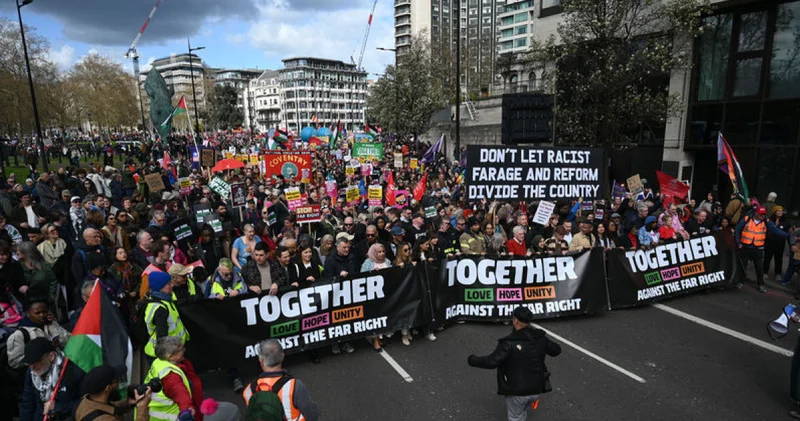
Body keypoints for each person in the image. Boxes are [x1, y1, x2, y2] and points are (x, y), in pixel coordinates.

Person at [467, 307, 562, 421]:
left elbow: (492, 361)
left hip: (518, 391)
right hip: (537, 388)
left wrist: (473, 360)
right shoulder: (541, 338)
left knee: (515, 417)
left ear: (515, 320)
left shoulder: (508, 343)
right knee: (521, 413)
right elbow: (556, 350)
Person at [241, 339, 320, 421]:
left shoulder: (248, 391)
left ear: (261, 361)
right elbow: (312, 414)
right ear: (283, 357)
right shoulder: (295, 386)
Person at [20, 337, 83, 421]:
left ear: (51, 356)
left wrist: (58, 407)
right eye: (29, 363)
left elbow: (85, 404)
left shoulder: (71, 370)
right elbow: (28, 403)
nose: (32, 367)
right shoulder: (32, 373)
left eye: (36, 361)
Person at [735, 206, 791, 293]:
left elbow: (775, 230)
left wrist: (788, 235)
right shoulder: (746, 219)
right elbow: (737, 230)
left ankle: (761, 284)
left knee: (759, 268)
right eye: (761, 214)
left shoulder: (766, 221)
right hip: (745, 247)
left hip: (758, 248)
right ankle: (740, 281)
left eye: (764, 214)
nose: (763, 216)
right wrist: (738, 242)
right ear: (756, 213)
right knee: (742, 266)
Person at [6, 296, 70, 370]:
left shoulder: (50, 323)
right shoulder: (19, 335)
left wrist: (53, 326)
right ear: (28, 313)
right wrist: (38, 359)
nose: (42, 315)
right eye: (37, 313)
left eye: (44, 312)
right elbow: (14, 362)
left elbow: (69, 340)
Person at [74, 364, 152, 421]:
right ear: (108, 388)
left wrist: (127, 403)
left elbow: (102, 408)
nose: (118, 384)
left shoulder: (85, 401)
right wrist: (142, 407)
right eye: (117, 381)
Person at [142, 272, 189, 360]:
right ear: (160, 288)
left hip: (171, 350)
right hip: (166, 353)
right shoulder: (160, 308)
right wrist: (169, 356)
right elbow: (162, 338)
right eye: (168, 284)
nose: (172, 285)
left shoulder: (164, 300)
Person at [764, 206, 791, 281]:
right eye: (778, 211)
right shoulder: (769, 220)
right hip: (770, 241)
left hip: (780, 243)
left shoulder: (786, 221)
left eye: (781, 211)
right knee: (767, 257)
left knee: (778, 258)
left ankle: (777, 273)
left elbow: (788, 232)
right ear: (774, 212)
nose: (780, 212)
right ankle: (764, 272)